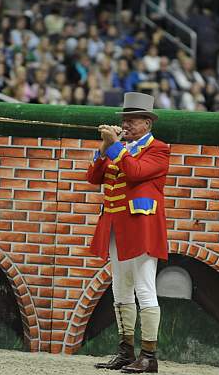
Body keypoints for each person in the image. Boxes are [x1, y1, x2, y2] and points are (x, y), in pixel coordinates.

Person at [87, 92, 169, 373]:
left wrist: (114, 147)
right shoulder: (117, 148)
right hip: (115, 227)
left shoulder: (159, 149)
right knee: (120, 288)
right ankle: (125, 351)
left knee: (145, 288)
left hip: (141, 227)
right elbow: (93, 178)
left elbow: (134, 172)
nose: (126, 125)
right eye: (124, 120)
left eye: (132, 120)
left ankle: (149, 356)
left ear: (147, 123)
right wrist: (103, 148)